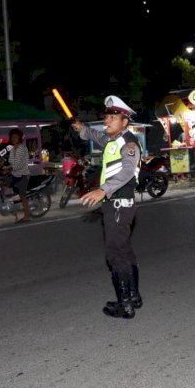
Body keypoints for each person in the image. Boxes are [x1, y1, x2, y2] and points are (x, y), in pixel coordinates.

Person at [71, 95, 143, 319]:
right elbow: (96, 136)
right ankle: (133, 296)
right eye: (107, 116)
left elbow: (127, 171)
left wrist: (104, 190)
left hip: (119, 202)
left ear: (125, 122)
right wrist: (82, 129)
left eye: (113, 117)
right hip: (117, 204)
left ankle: (125, 305)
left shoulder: (129, 143)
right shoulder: (113, 141)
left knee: (115, 255)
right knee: (124, 251)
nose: (107, 121)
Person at [4, 128, 31, 223]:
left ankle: (27, 216)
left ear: (19, 137)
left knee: (23, 196)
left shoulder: (22, 148)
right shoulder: (13, 149)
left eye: (16, 137)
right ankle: (12, 208)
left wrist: (10, 169)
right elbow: (11, 162)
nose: (14, 138)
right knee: (4, 184)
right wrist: (4, 167)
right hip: (15, 174)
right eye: (12, 137)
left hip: (22, 175)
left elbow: (19, 164)